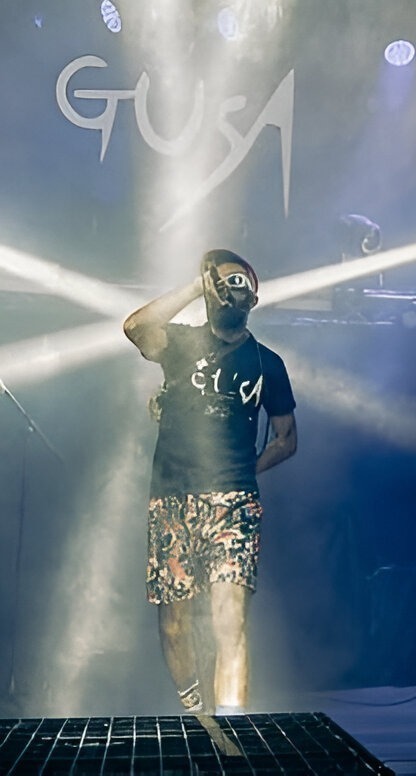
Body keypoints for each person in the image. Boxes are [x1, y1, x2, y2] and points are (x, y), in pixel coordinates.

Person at [123, 249, 297, 716]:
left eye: (240, 282)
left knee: (229, 618)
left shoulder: (267, 363)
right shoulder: (180, 343)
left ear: (253, 298)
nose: (230, 288)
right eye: (223, 282)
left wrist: (243, 470)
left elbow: (286, 439)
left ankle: (232, 728)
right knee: (174, 624)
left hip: (233, 502)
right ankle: (197, 713)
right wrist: (196, 286)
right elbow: (136, 327)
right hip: (172, 498)